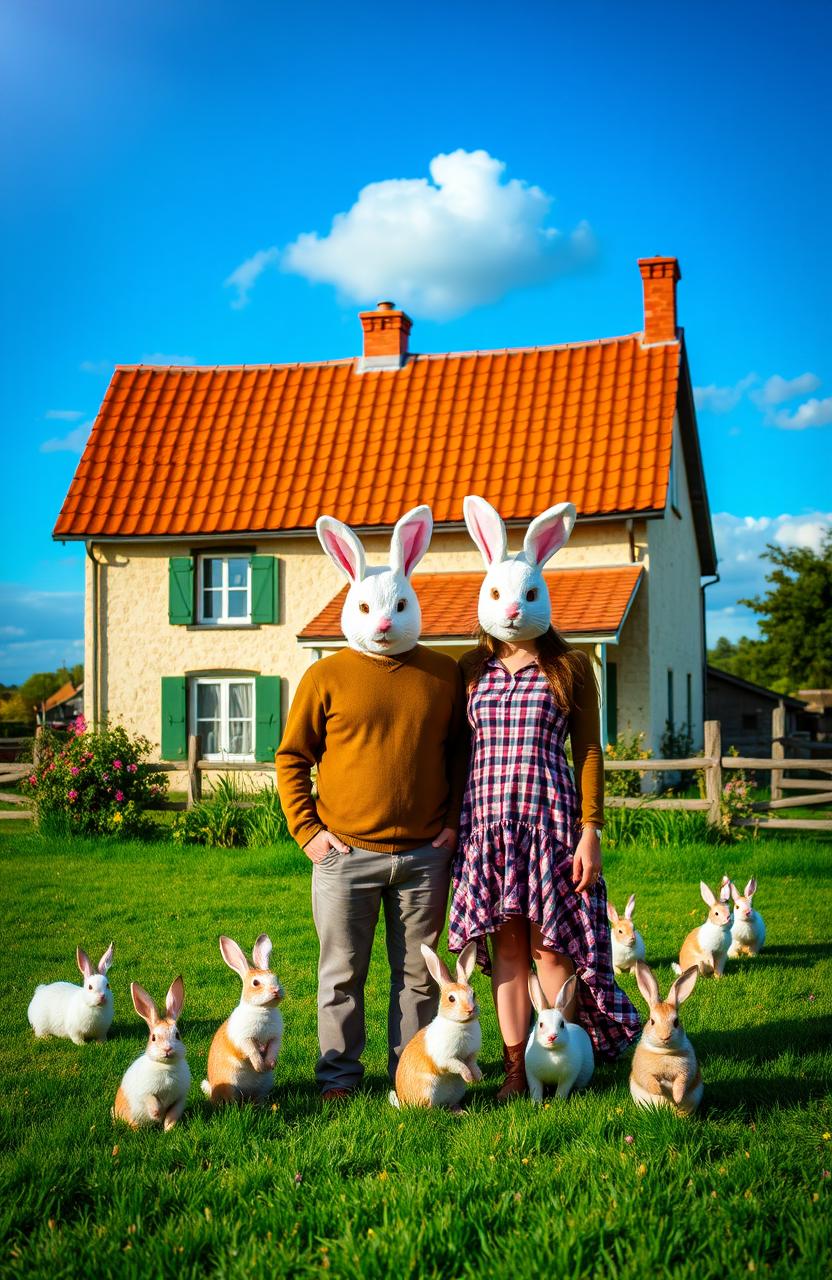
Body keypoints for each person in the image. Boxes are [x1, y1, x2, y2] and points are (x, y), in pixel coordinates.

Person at [448, 495, 640, 1100]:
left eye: (526, 594)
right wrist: (451, 827)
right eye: (502, 595)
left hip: (553, 826)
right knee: (507, 949)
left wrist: (592, 831)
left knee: (552, 948)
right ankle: (514, 1069)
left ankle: (568, 1058)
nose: (513, 607)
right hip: (489, 828)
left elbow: (588, 752)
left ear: (541, 593)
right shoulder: (469, 669)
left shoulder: (570, 666)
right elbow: (458, 754)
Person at [276, 506, 467, 1101]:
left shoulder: (443, 674)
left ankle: (412, 1075)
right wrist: (308, 833)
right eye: (367, 608)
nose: (383, 620)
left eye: (396, 607)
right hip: (344, 854)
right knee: (341, 976)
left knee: (419, 979)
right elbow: (291, 758)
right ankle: (338, 1079)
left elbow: (464, 754)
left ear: (413, 601)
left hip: (423, 856)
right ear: (350, 603)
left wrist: (456, 820)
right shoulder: (325, 676)